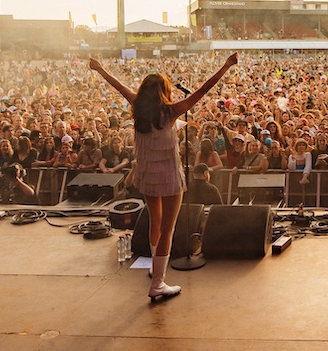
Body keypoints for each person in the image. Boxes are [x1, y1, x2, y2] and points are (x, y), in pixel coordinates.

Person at [91, 53, 238, 302]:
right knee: (168, 229)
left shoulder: (137, 107)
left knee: (155, 224)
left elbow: (118, 85)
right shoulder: (171, 112)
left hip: (147, 175)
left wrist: (100, 69)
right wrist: (226, 66)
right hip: (169, 176)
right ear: (164, 91)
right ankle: (158, 283)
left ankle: (155, 267)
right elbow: (203, 90)